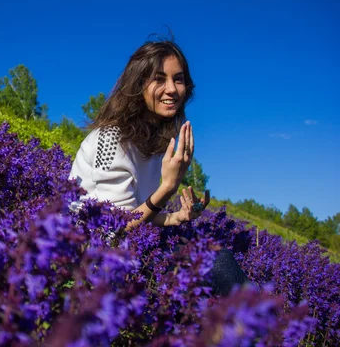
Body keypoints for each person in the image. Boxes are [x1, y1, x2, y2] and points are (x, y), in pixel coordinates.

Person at [69, 39, 249, 295]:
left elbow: (136, 213)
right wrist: (168, 187)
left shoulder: (154, 144)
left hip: (127, 248)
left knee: (212, 255)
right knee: (216, 263)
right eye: (160, 79)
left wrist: (178, 217)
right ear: (138, 84)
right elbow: (112, 230)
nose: (172, 89)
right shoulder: (109, 140)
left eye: (178, 79)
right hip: (89, 256)